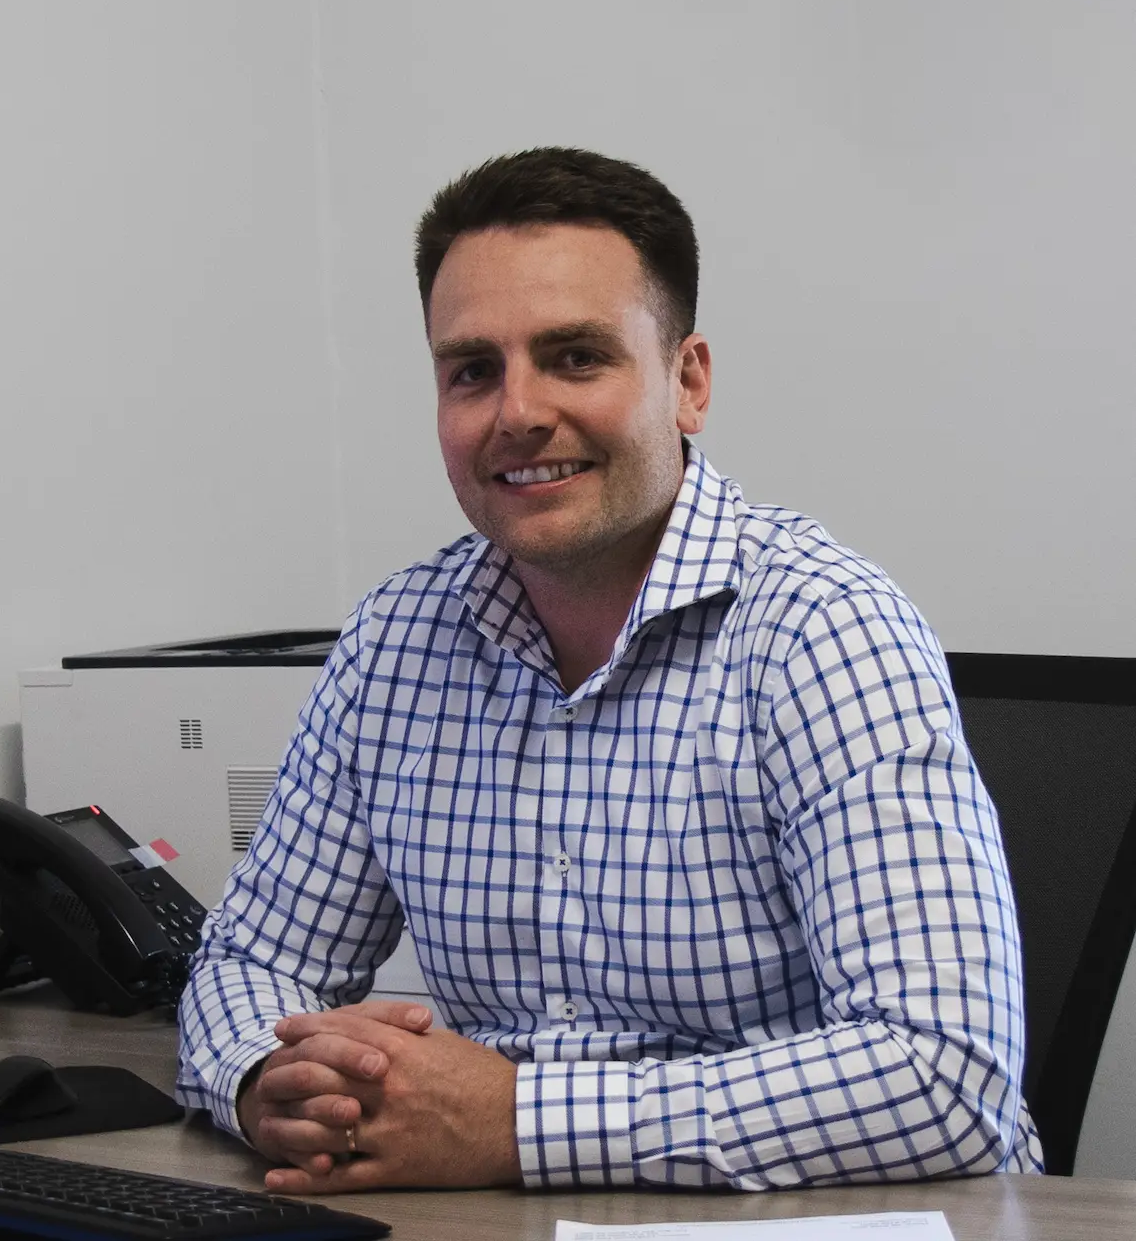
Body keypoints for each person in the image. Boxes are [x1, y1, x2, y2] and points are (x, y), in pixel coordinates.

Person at [176, 147, 1039, 1192]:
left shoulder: (821, 628)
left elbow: (947, 1077)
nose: (518, 413)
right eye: (471, 370)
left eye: (576, 357)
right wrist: (266, 1075)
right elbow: (249, 964)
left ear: (687, 381)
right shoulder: (394, 643)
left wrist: (517, 1123)